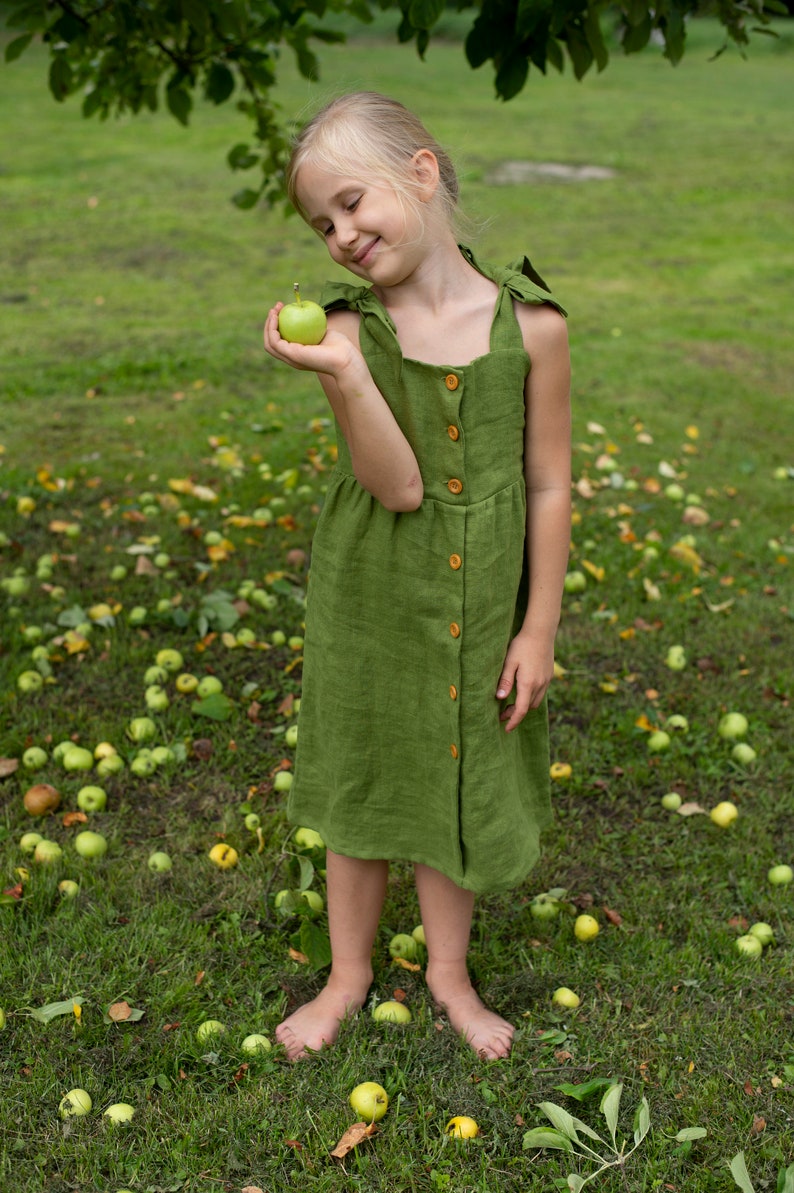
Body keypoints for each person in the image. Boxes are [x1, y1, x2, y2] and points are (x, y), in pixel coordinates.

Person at [263, 91, 571, 1062]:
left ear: (422, 174)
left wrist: (537, 629)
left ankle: (447, 972)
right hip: (373, 592)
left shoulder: (534, 326)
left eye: (354, 203)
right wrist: (340, 375)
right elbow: (395, 486)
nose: (343, 236)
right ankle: (346, 974)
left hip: (486, 595)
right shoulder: (349, 337)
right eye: (324, 224)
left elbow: (549, 481)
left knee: (460, 770)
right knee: (361, 772)